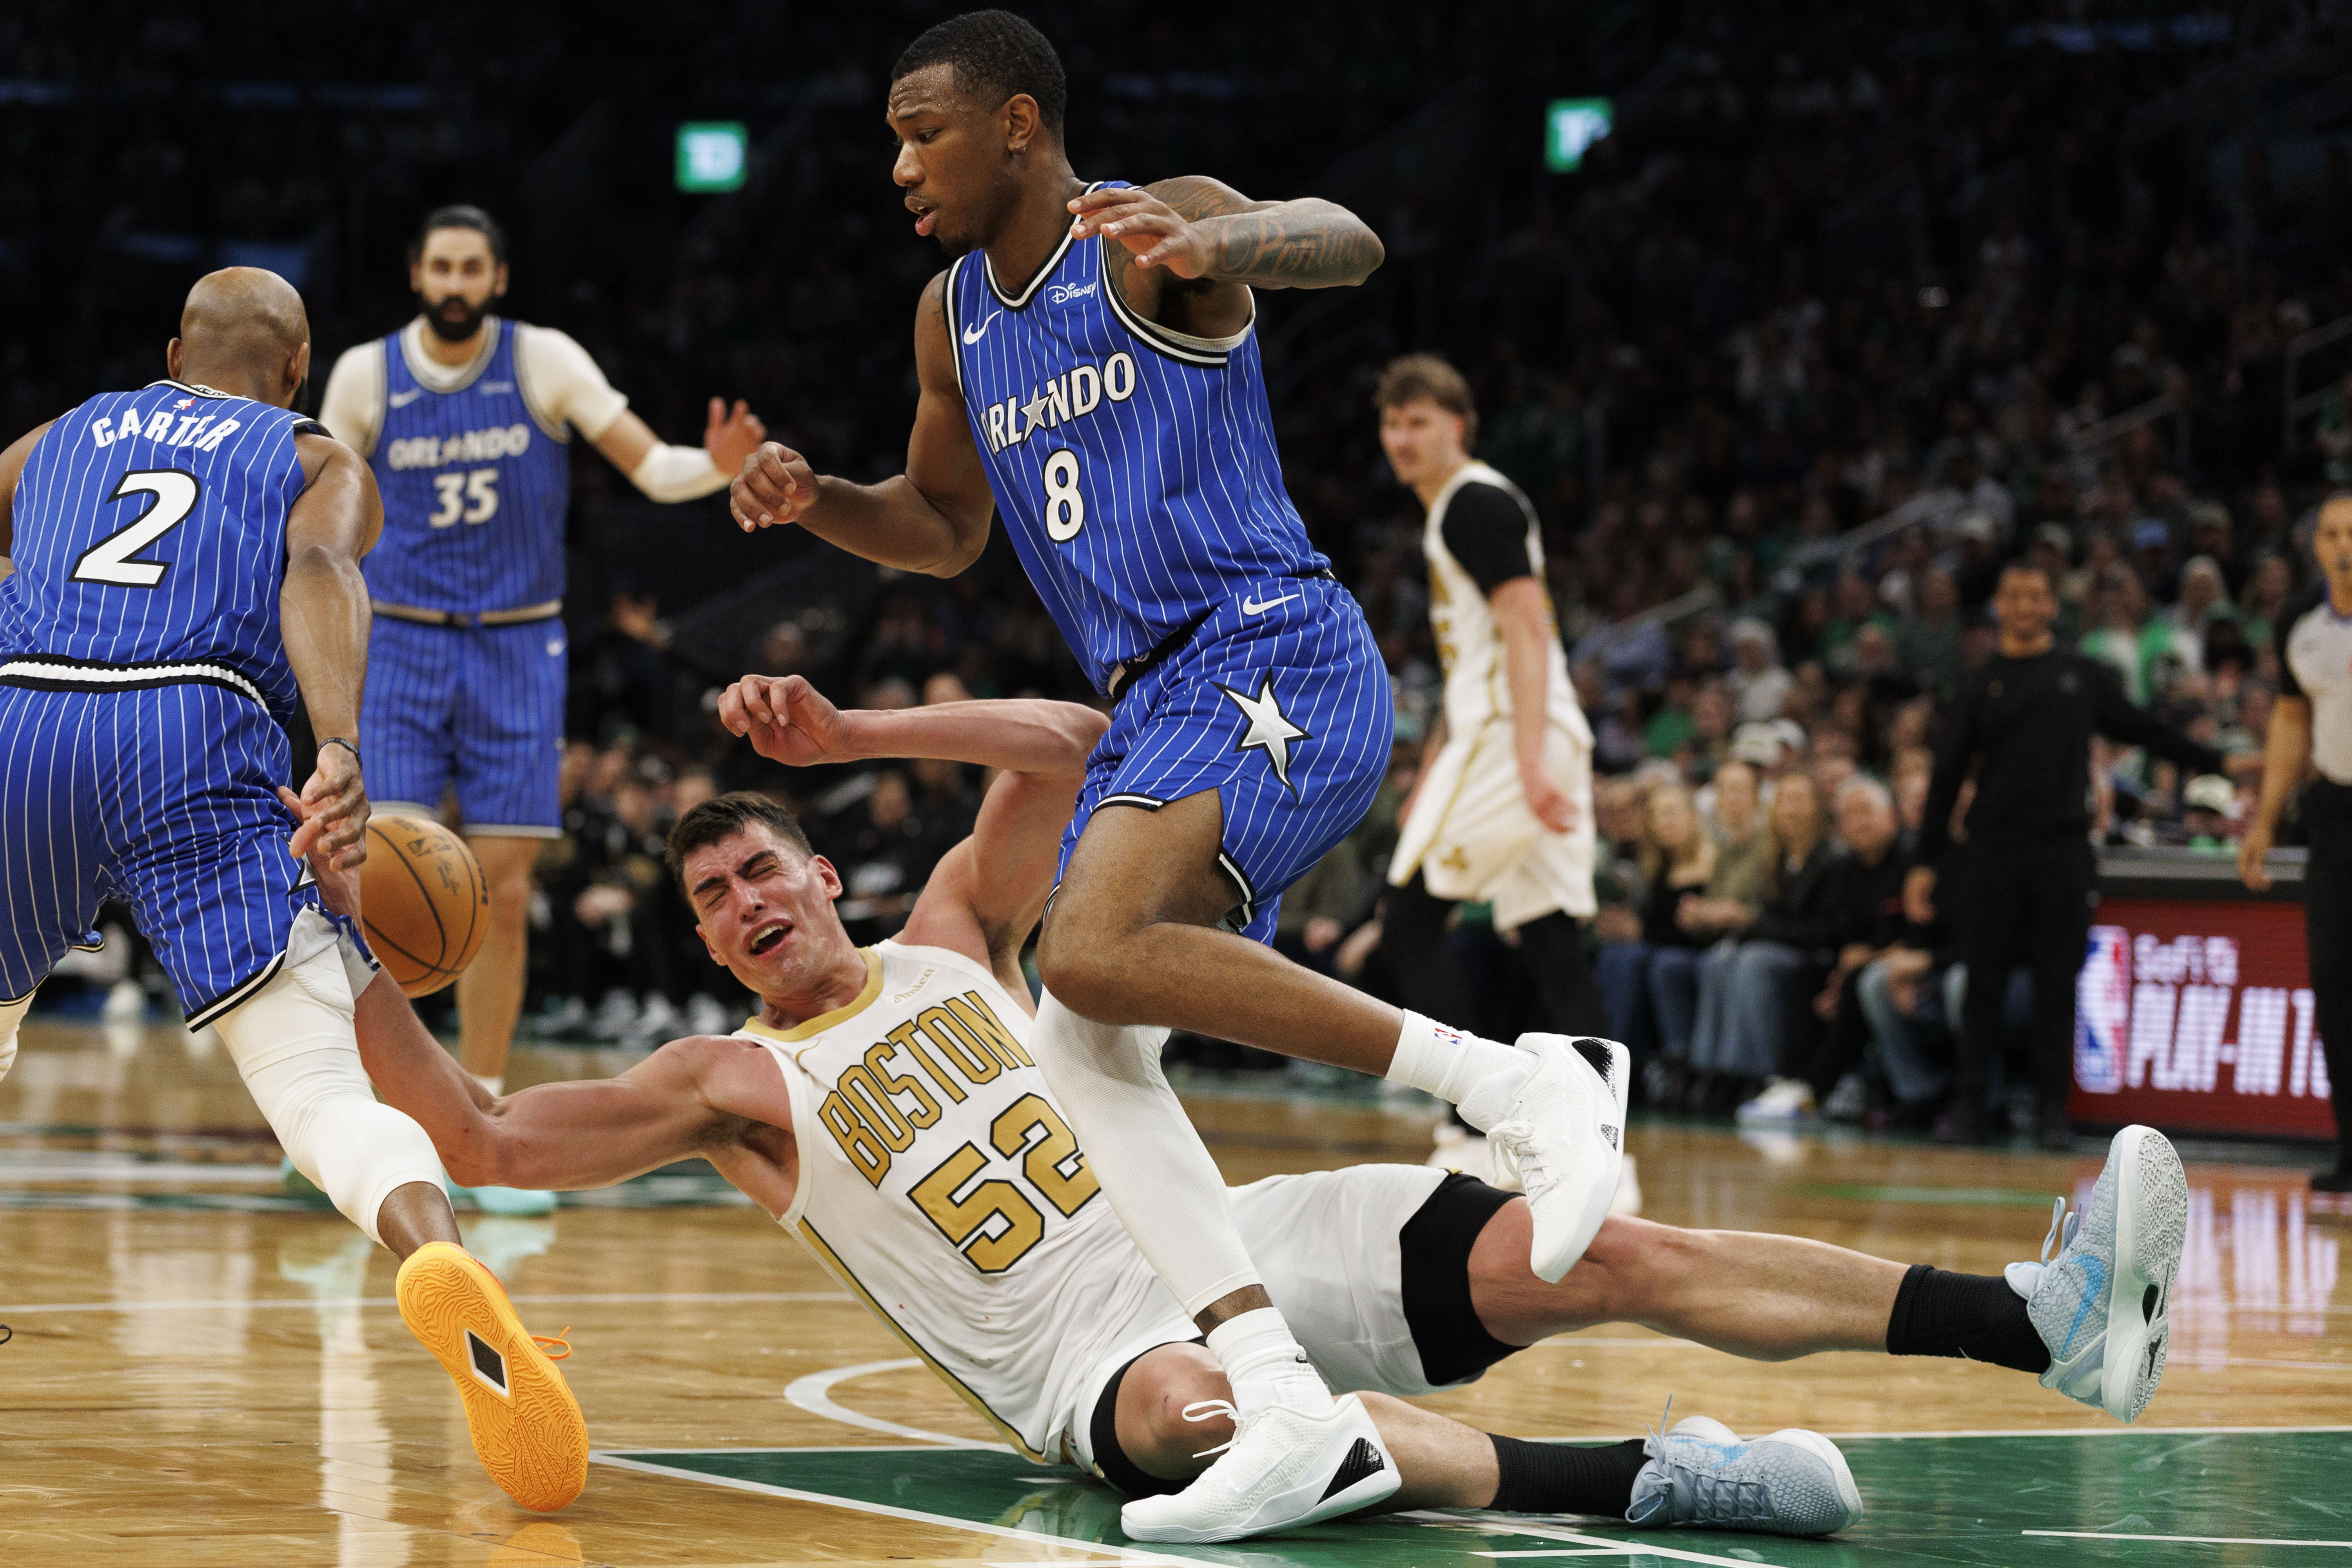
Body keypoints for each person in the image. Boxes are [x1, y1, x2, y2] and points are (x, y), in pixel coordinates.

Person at [339, 672, 2188, 1540]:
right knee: (1236, 1430)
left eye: (761, 869)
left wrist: (856, 732)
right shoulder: (729, 1083)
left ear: (823, 870)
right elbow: (485, 1134)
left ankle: (2039, 1321)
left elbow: (1074, 746)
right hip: (1093, 1368)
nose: (744, 905)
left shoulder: (948, 937)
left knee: (1602, 1241)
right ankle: (1653, 1479)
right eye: (712, 901)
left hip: (1240, 1238)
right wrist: (353, 947)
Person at [723, 12, 1624, 1536]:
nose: (898, 164)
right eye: (891, 136)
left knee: (1083, 950)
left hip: (1267, 642)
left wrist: (1223, 229)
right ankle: (1272, 1390)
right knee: (1082, 1050)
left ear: (1017, 123)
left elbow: (1345, 242)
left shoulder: (1140, 240)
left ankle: (1510, 1073)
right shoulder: (952, 317)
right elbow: (943, 529)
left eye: (921, 130)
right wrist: (817, 501)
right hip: (1157, 700)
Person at [0, 269, 587, 1511]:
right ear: (298, 365)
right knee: (317, 1091)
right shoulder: (318, 458)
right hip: (195, 727)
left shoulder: (62, 433)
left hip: (26, 716)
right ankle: (440, 1260)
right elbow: (319, 572)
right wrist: (339, 750)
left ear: (172, 352)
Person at [318, 205, 768, 1214]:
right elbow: (324, 501)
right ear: (416, 273)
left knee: (505, 892)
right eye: (440, 264)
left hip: (519, 643)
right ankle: (359, 1113)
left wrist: (721, 466)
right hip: (398, 636)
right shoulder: (362, 375)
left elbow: (652, 468)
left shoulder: (544, 360)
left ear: (499, 277)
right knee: (375, 884)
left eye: (473, 265)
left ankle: (483, 1112)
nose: (456, 280)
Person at [1909, 561, 2230, 1148]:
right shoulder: (1980, 683)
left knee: (2060, 986)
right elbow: (1948, 775)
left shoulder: (2080, 675)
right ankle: (1972, 1106)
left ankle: (2053, 1111)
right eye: (2015, 595)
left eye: (2037, 595)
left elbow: (2142, 729)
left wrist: (2218, 762)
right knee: (1982, 985)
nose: (2027, 605)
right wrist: (1926, 862)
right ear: (2000, 606)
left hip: (2062, 850)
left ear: (2052, 606)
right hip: (1992, 851)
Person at [1372, 355, 1610, 1118]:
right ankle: (1597, 1129)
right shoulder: (1458, 507)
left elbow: (1528, 630)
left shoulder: (1473, 501)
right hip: (1518, 732)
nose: (1401, 437)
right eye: (1392, 422)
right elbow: (1473, 655)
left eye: (1418, 421)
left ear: (1459, 427)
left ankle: (1477, 1114)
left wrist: (1529, 758)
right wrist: (1433, 769)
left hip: (1512, 735)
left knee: (1407, 922)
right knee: (1549, 940)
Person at [2239, 494, 2352, 1191]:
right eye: (2333, 533)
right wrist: (2264, 817)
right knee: (2336, 984)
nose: (2345, 545)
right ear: (2316, 546)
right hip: (2335, 814)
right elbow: (2288, 721)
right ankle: (2350, 1148)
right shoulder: (2300, 624)